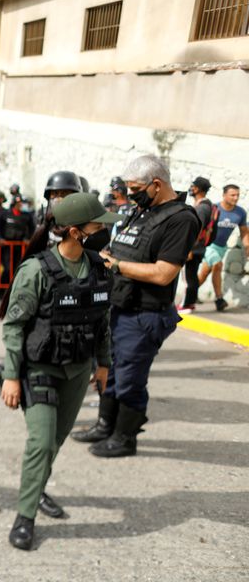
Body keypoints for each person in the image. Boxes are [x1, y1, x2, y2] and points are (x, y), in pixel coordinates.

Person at [0, 193, 118, 551]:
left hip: (78, 371)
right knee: (40, 441)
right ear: (77, 232)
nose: (103, 230)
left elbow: (103, 323)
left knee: (55, 442)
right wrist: (10, 375)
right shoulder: (36, 270)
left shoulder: (99, 267)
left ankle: (35, 488)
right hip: (39, 369)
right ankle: (25, 516)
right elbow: (15, 326)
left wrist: (104, 365)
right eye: (97, 225)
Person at [71, 155, 199, 458]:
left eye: (135, 188)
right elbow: (121, 249)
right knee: (111, 370)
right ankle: (106, 425)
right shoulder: (142, 211)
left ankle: (125, 438)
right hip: (119, 306)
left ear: (157, 185)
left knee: (129, 377)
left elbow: (164, 273)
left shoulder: (181, 218)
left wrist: (116, 266)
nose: (130, 194)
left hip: (145, 313)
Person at [197, 184, 248, 312]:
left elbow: (244, 233)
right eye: (232, 195)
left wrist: (247, 247)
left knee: (205, 272)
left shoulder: (240, 213)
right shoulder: (214, 208)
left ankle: (191, 293)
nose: (235, 198)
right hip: (209, 245)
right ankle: (220, 300)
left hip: (222, 247)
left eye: (237, 195)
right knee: (218, 265)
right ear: (224, 195)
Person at [180, 176, 214, 312]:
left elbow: (197, 229)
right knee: (191, 277)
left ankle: (187, 305)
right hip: (196, 248)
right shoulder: (203, 205)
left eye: (193, 186)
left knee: (189, 279)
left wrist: (189, 248)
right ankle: (189, 304)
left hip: (194, 248)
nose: (191, 188)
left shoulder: (202, 207)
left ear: (199, 189)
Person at [0, 195, 35, 297]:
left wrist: (28, 239)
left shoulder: (26, 216)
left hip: (19, 246)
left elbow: (32, 228)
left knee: (17, 268)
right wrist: (0, 238)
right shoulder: (5, 214)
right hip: (7, 246)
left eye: (21, 203)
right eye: (19, 203)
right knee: (7, 269)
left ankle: (14, 292)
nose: (21, 205)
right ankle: (2, 291)